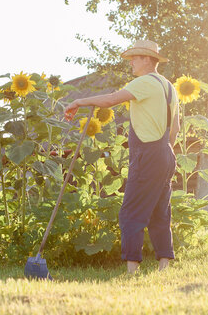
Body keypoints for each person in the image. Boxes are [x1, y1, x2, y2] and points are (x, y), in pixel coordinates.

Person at [64, 39, 180, 274]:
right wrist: (163, 152)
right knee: (160, 210)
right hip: (166, 153)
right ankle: (164, 264)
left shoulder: (145, 82)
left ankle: (132, 268)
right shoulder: (169, 87)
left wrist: (78, 101)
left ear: (148, 59)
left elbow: (110, 100)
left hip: (148, 155)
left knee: (131, 211)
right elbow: (175, 129)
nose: (131, 64)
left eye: (134, 59)